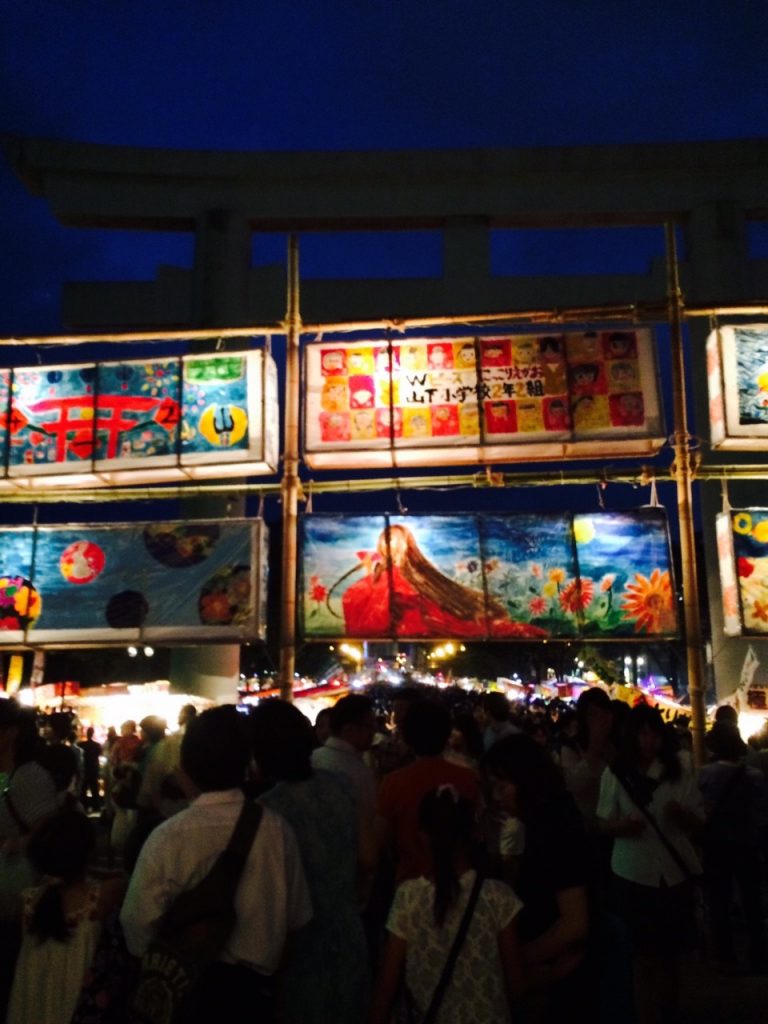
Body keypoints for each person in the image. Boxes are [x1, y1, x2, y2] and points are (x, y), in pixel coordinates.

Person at [120, 706, 313, 1024]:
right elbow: (297, 919)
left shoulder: (168, 837)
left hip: (186, 993)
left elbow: (136, 924)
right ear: (247, 765)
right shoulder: (276, 830)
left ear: (184, 769)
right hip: (253, 996)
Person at [250, 699, 372, 1024]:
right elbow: (368, 857)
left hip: (297, 949)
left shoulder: (266, 810)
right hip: (347, 934)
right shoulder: (342, 786)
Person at [370, 786, 525, 1024]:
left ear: (423, 836)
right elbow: (516, 983)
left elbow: (387, 985)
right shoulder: (498, 897)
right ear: (473, 834)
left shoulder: (409, 897)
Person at [597, 703, 702, 1024]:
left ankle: (668, 1012)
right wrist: (623, 826)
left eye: (654, 734)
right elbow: (603, 821)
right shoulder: (616, 773)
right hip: (633, 873)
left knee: (671, 957)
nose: (648, 741)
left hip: (673, 873)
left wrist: (681, 815)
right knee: (641, 957)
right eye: (641, 734)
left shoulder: (679, 769)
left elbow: (699, 820)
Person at [484, 734, 595, 1022]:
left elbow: (574, 923)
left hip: (561, 984)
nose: (497, 797)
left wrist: (516, 960)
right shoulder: (542, 820)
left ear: (527, 780)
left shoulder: (556, 827)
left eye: (502, 786)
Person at [6, 809, 126, 1024]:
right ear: (87, 853)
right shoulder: (102, 896)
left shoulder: (27, 900)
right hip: (74, 1004)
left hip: (32, 1002)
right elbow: (126, 879)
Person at [336, 523, 548, 639]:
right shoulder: (378, 573)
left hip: (418, 621)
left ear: (405, 543)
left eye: (394, 539)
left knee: (472, 626)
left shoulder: (414, 574)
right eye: (387, 539)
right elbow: (361, 602)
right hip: (398, 621)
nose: (389, 544)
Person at [378, 700, 481, 884]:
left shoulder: (392, 783)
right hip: (460, 882)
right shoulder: (469, 778)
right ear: (447, 734)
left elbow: (384, 838)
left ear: (407, 737)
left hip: (410, 880)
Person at [698, 721, 767, 973]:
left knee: (719, 901)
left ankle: (725, 956)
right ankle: (758, 954)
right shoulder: (755, 776)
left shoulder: (704, 774)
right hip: (748, 843)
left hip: (716, 845)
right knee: (752, 901)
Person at [310, 694, 377, 826]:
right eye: (369, 726)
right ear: (349, 729)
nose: (373, 732)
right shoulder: (358, 772)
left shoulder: (312, 759)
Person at [78, 727, 102, 813]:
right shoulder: (97, 745)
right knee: (94, 789)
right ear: (93, 734)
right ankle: (96, 807)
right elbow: (99, 756)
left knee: (83, 789)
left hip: (85, 769)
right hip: (93, 769)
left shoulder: (81, 744)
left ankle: (85, 806)